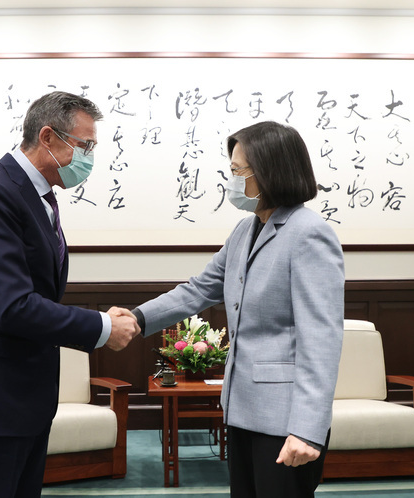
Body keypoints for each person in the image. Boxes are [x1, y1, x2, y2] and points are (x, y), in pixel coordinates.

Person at [0, 91, 141, 498]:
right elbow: (13, 306)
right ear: (47, 136)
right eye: (85, 145)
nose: (90, 156)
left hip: (23, 392)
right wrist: (101, 327)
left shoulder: (37, 194)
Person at [131, 121, 344, 497]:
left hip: (286, 421)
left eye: (237, 171)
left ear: (269, 171)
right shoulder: (245, 231)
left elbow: (321, 339)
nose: (232, 181)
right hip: (243, 409)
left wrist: (307, 428)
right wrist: (137, 319)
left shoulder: (309, 232)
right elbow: (198, 289)